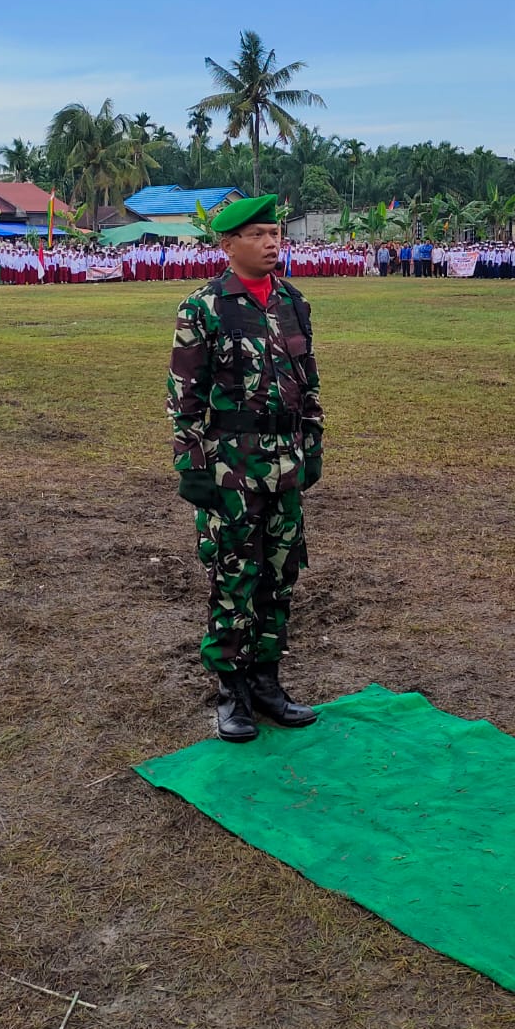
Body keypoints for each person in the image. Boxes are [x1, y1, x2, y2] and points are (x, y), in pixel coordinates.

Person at [166, 196, 325, 743]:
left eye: (275, 232)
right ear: (228, 244)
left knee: (280, 576)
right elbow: (184, 397)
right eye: (258, 234)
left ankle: (266, 682)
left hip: (285, 466)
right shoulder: (205, 307)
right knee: (235, 578)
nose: (272, 242)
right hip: (232, 467)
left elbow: (309, 383)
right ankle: (231, 693)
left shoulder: (293, 302)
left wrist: (314, 445)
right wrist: (193, 467)